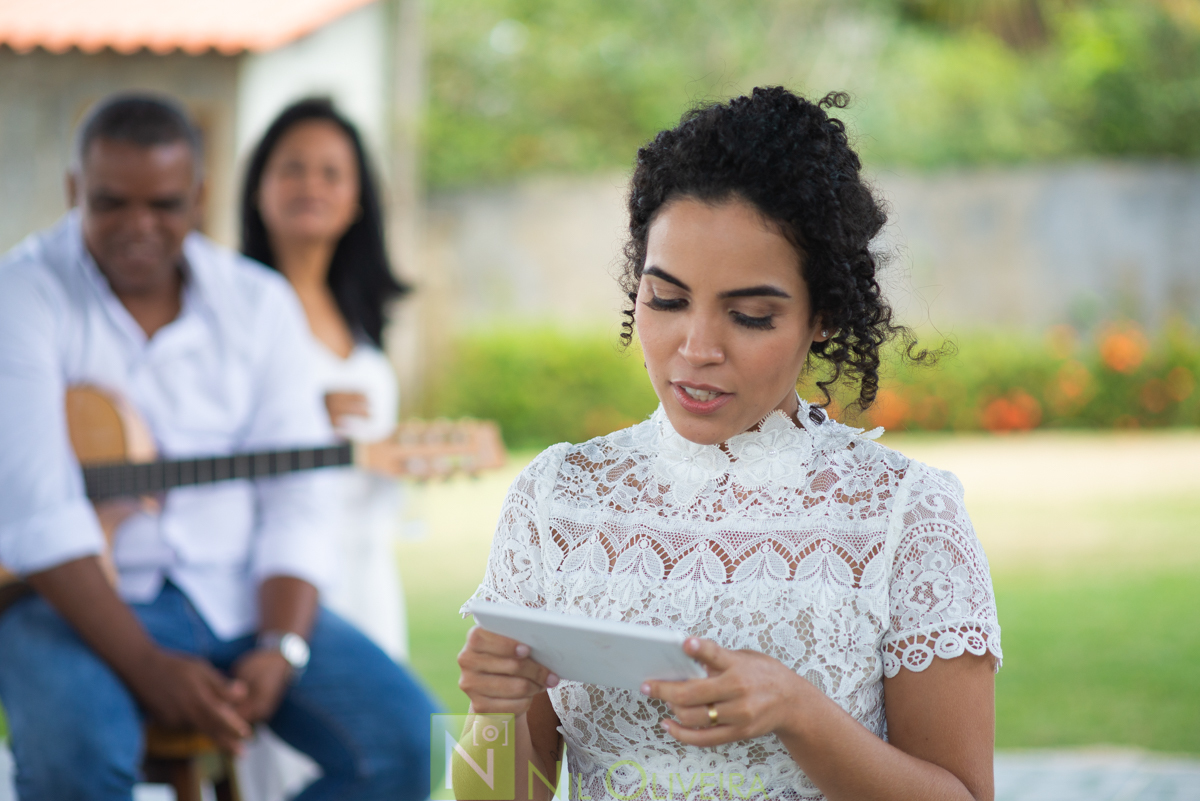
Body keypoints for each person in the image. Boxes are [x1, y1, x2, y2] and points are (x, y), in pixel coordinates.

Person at [456, 87, 1001, 801]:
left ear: (824, 316)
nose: (697, 348)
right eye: (668, 300)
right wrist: (491, 712)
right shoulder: (558, 497)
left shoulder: (903, 515)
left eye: (748, 315)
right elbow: (498, 794)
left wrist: (798, 711)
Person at [0, 93, 436, 801]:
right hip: (65, 601)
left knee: (405, 740)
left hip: (236, 595)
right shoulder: (21, 294)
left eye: (165, 205)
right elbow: (39, 514)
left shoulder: (259, 303)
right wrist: (148, 665)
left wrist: (281, 645)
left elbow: (297, 497)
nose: (139, 226)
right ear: (74, 190)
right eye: (111, 203)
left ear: (200, 197)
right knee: (75, 763)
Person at [240, 97, 413, 662]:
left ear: (356, 199)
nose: (310, 184)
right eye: (291, 167)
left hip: (368, 575)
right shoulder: (232, 309)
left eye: (331, 172)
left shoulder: (361, 317)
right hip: (274, 579)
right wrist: (305, 410)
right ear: (259, 187)